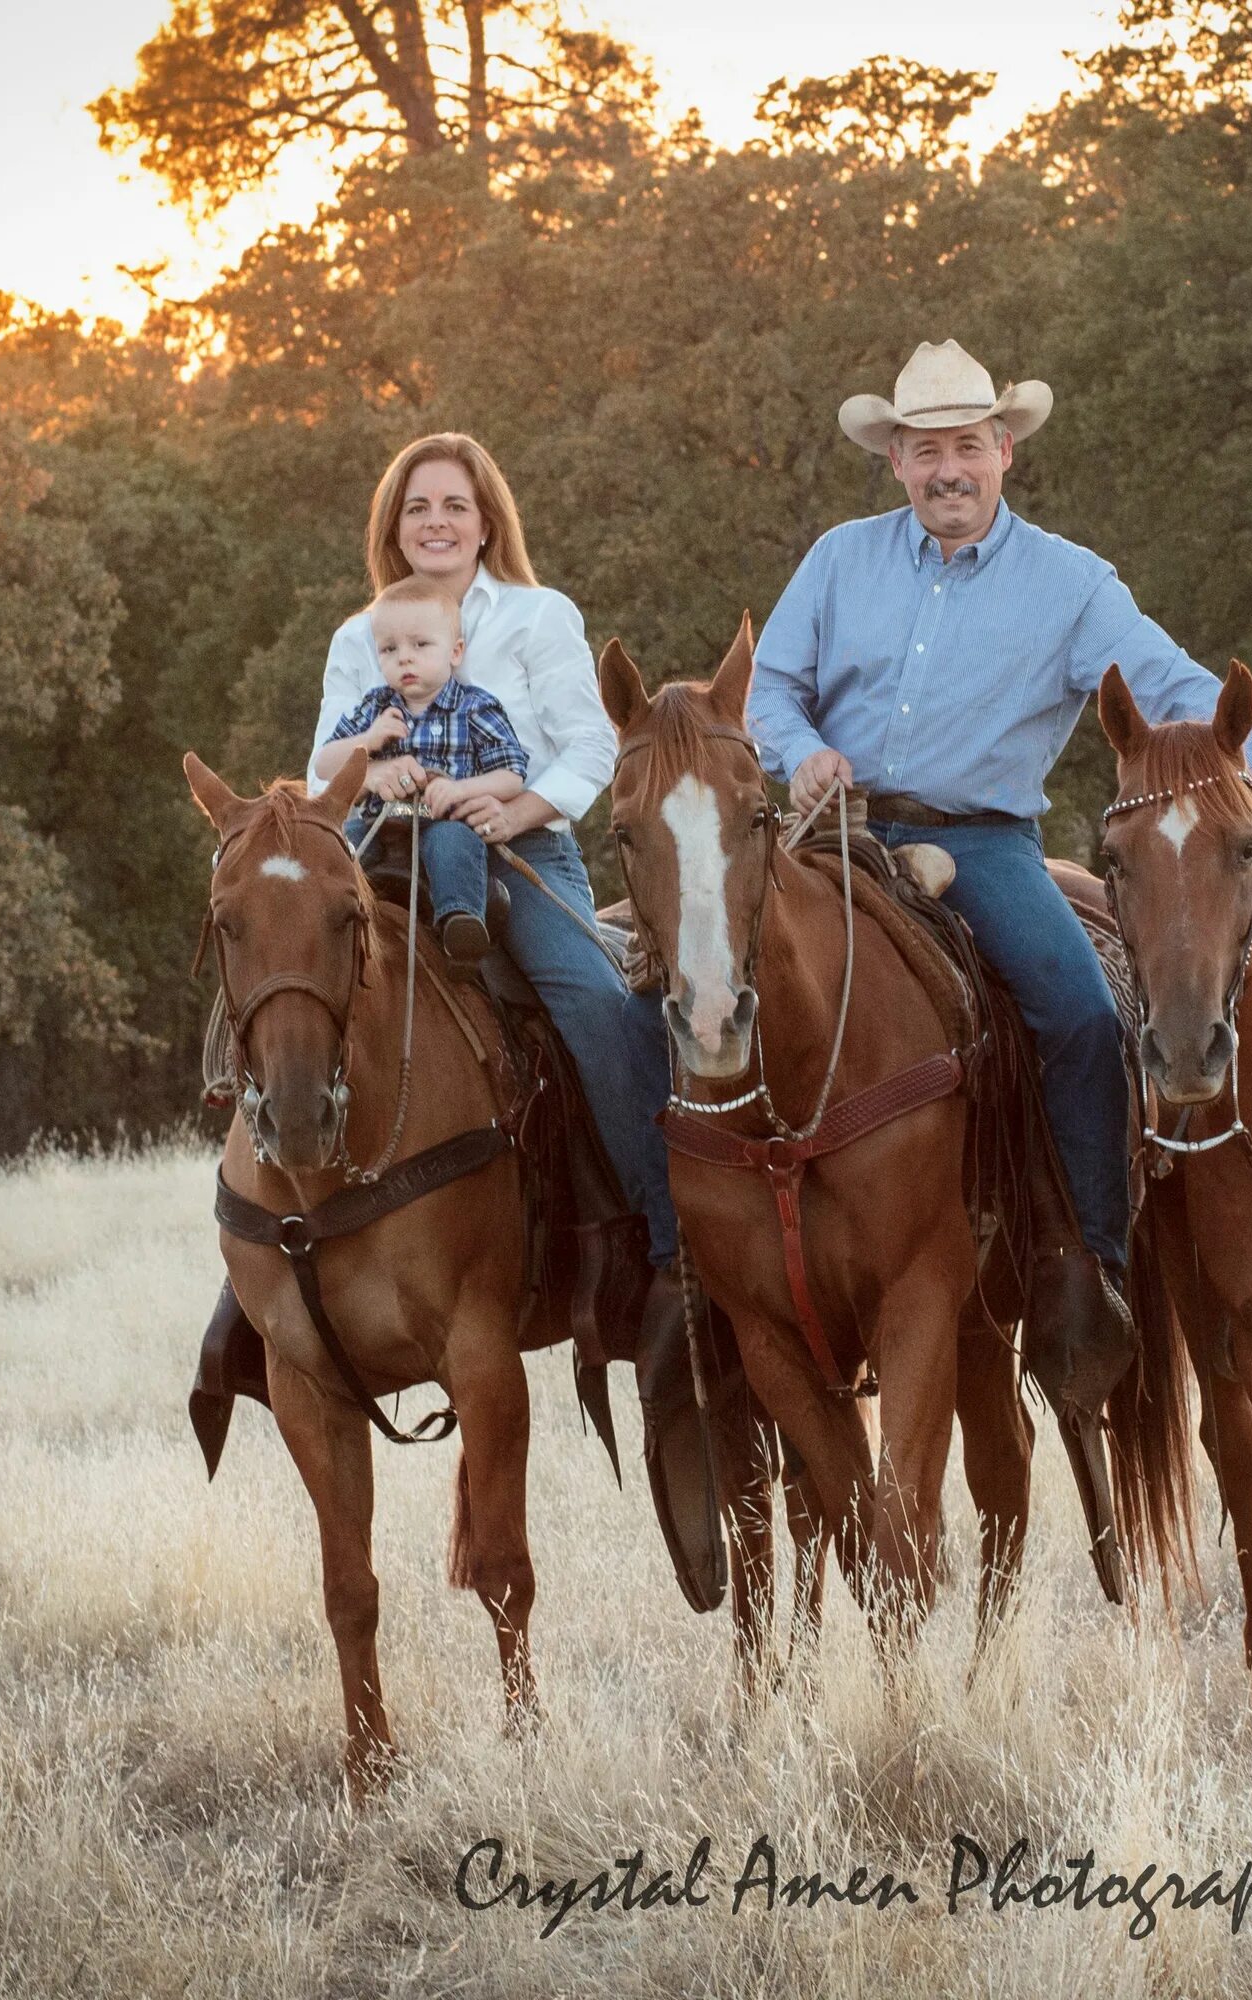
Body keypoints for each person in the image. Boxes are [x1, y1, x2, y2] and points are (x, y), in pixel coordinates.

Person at [204, 432, 721, 1608]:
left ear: (489, 519)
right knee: (284, 999)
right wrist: (369, 779)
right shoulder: (362, 629)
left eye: (457, 504)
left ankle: (664, 1242)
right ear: (393, 523)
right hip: (383, 858)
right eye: (417, 505)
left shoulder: (540, 617)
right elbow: (327, 753)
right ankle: (256, 1286)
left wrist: (515, 794)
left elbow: (593, 742)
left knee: (595, 1003)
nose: (437, 520)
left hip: (518, 850)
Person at [750, 339, 1252, 1395]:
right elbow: (770, 690)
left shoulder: (1070, 584)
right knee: (703, 982)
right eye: (925, 452)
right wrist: (802, 752)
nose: (947, 470)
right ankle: (696, 1262)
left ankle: (1087, 1261)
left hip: (979, 842)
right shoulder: (839, 559)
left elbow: (1181, 688)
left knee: (1081, 1013)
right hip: (833, 837)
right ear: (896, 463)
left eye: (967, 446)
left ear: (1005, 449)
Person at [312, 574, 531, 964]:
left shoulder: (476, 708)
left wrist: (463, 790)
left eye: (420, 645)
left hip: (442, 824)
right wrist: (368, 741)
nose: (404, 658)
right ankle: (323, 926)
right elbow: (326, 764)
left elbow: (511, 774)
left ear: (455, 651)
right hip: (383, 830)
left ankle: (460, 924)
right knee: (340, 844)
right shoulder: (375, 707)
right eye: (389, 649)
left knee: (452, 844)